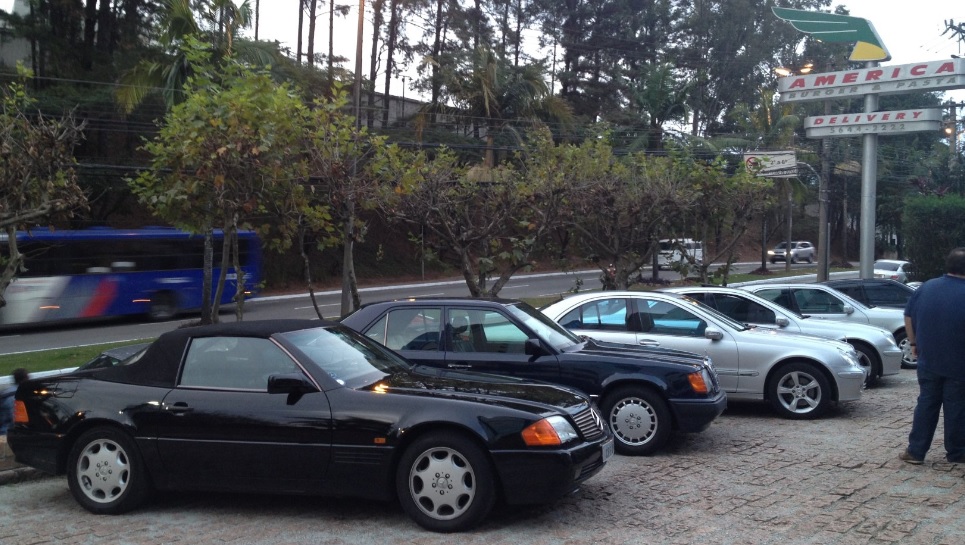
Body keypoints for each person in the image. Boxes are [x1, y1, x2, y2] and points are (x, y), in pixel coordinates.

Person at [899, 247, 965, 465]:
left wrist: (914, 342)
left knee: (927, 404)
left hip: (928, 360)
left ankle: (916, 452)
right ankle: (957, 453)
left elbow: (908, 315)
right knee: (956, 408)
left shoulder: (927, 287)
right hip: (959, 364)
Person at [1, 368, 29, 436]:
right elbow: (14, 420)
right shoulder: (19, 395)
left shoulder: (6, 392)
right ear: (26, 379)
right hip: (8, 433)